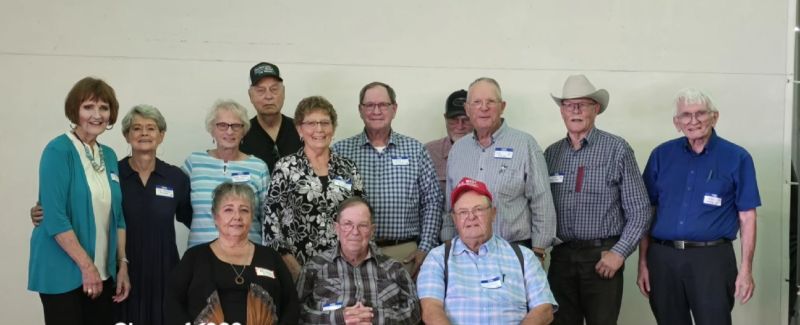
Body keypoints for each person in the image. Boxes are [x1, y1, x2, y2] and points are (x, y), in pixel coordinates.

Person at [29, 105, 194, 325]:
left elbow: (194, 217)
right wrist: (43, 211)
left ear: (161, 135)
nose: (144, 133)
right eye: (136, 128)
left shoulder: (176, 177)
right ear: (126, 135)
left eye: (151, 128)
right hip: (118, 268)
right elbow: (84, 200)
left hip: (162, 270)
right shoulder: (110, 173)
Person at [637, 88, 760, 325]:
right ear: (677, 122)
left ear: (714, 117)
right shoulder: (661, 155)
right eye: (686, 115)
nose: (693, 120)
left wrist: (746, 270)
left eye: (700, 113)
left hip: (712, 260)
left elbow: (747, 217)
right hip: (663, 258)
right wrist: (643, 263)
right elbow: (647, 212)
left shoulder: (737, 157)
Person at [544, 75, 651, 325]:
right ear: (562, 111)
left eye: (583, 104)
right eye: (569, 105)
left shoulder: (617, 149)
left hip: (602, 258)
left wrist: (619, 253)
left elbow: (641, 210)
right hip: (561, 259)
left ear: (596, 108)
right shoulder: (551, 154)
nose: (576, 110)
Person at [28, 77, 130, 325]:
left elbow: (117, 216)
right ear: (75, 110)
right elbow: (54, 217)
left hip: (102, 271)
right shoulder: (58, 151)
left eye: (104, 108)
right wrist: (87, 267)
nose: (97, 115)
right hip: (64, 272)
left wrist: (122, 264)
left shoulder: (109, 154)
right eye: (88, 107)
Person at [332, 81, 443, 276]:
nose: (376, 111)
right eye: (370, 105)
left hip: (404, 253)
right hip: (354, 253)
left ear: (394, 109)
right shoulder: (340, 151)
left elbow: (432, 201)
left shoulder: (415, 150)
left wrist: (425, 248)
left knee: (405, 306)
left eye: (383, 105)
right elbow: (331, 205)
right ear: (360, 110)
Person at [443, 77, 557, 261]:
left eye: (490, 102)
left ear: (502, 106)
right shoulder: (457, 150)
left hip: (515, 250)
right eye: (477, 102)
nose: (484, 107)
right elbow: (449, 205)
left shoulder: (525, 145)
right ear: (467, 109)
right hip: (465, 254)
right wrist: (448, 244)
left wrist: (538, 250)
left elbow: (541, 200)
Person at [418, 177, 557, 325]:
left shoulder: (524, 257)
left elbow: (544, 309)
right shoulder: (437, 258)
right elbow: (431, 311)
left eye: (478, 209)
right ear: (454, 218)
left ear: (493, 213)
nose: (471, 217)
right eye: (463, 212)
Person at [262, 96, 366, 279]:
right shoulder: (285, 168)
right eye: (311, 123)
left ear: (333, 128)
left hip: (345, 270)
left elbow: (362, 216)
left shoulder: (348, 168)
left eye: (325, 123)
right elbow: (272, 226)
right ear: (299, 129)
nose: (319, 129)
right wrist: (297, 272)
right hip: (297, 271)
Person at [166, 182, 299, 324]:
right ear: (215, 217)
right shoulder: (194, 257)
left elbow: (291, 304)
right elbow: (172, 302)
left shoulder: (271, 257)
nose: (237, 216)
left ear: (252, 216)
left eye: (244, 210)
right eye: (228, 210)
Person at [296, 196, 420, 325]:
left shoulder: (393, 268)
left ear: (372, 231)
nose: (355, 232)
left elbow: (415, 312)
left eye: (362, 225)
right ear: (336, 228)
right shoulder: (315, 266)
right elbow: (296, 312)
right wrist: (339, 318)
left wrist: (375, 317)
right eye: (348, 224)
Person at [184, 99, 270, 247]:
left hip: (247, 254)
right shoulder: (194, 163)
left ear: (244, 131)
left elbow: (267, 218)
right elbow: (182, 209)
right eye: (222, 125)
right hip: (201, 255)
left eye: (236, 126)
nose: (229, 131)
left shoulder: (259, 167)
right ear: (212, 129)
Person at [240, 62, 303, 172]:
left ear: (283, 93)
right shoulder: (241, 134)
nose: (268, 96)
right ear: (250, 96)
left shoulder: (302, 130)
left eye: (274, 89)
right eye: (260, 90)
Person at [425, 89, 473, 194]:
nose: (460, 126)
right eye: (453, 120)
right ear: (445, 118)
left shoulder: (488, 151)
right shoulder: (429, 153)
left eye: (466, 120)